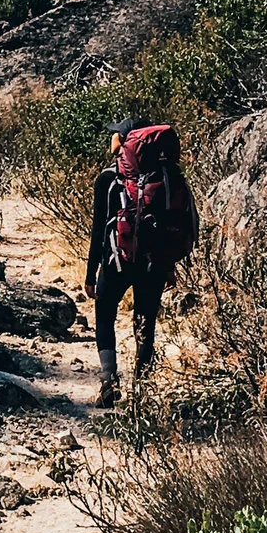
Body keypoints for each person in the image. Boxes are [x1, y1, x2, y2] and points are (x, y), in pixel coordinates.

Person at [83, 116, 196, 406]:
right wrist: (169, 264)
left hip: (115, 261)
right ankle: (142, 392)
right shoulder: (168, 176)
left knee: (105, 316)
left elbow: (98, 230)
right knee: (145, 323)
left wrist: (90, 273)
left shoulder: (109, 179)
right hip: (155, 264)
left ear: (125, 141)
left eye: (116, 135)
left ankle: (109, 382)